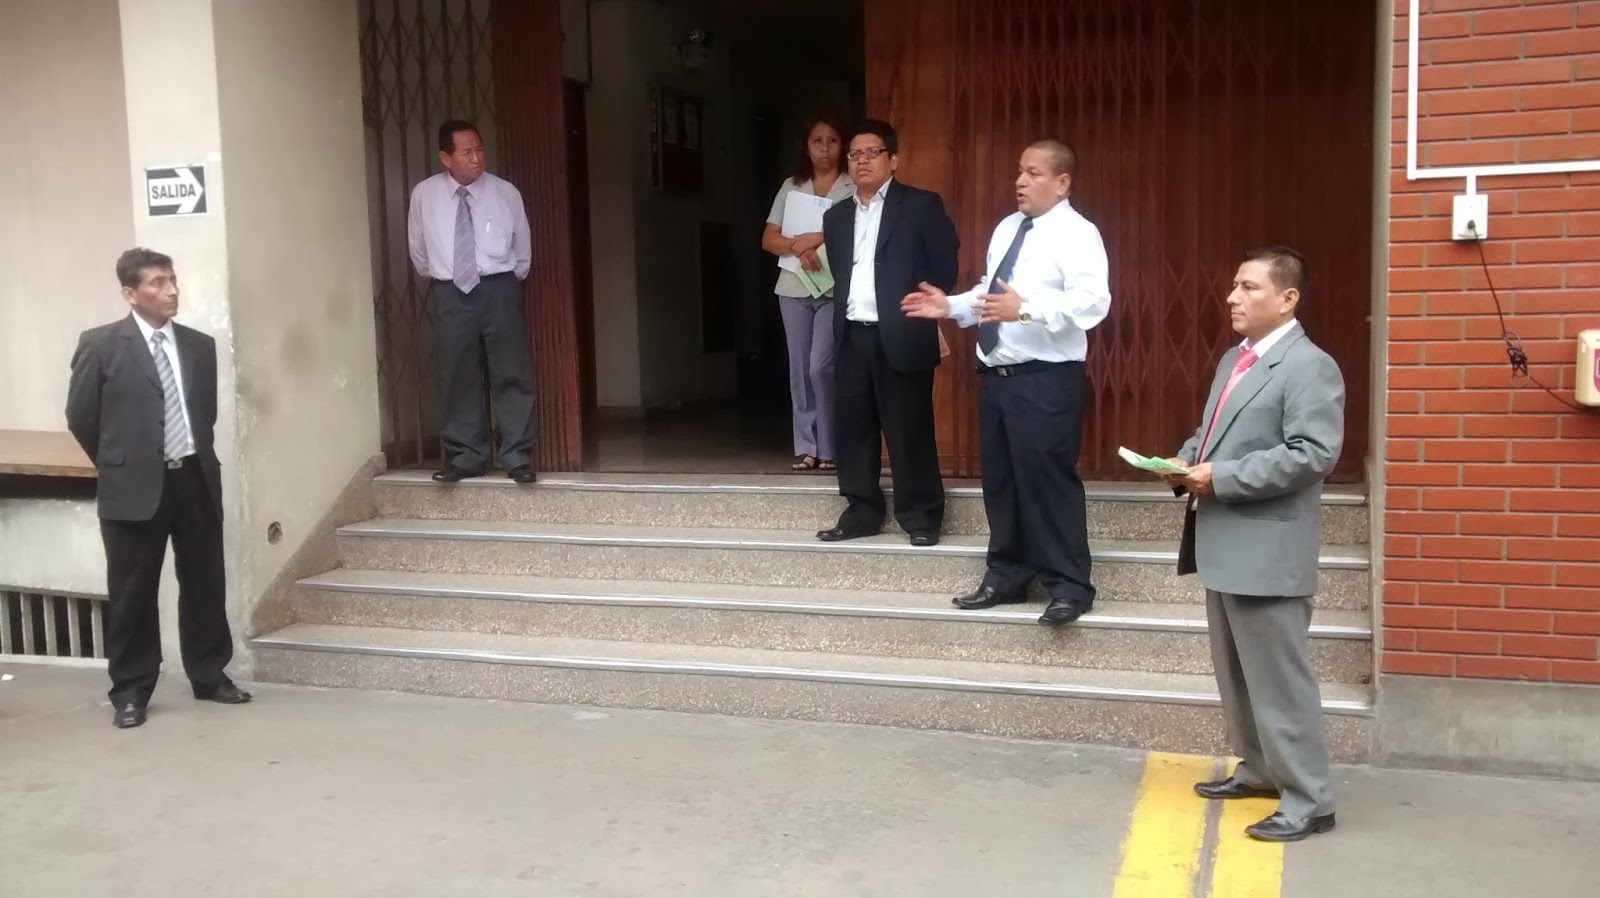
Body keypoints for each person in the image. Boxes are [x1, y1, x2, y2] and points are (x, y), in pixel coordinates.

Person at [1163, 246, 1344, 842]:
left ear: (1288, 299)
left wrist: (1221, 477)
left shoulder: (1309, 365)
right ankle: (1261, 770)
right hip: (1225, 544)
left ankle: (1310, 799)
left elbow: (1313, 454)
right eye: (1234, 286)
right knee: (1239, 677)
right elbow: (1213, 432)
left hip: (1268, 552)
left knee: (1281, 683)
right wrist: (1184, 461)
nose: (1232, 297)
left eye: (1249, 287)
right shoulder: (1236, 359)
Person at [902, 140, 1110, 625]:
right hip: (997, 376)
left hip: (1045, 379)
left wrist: (1028, 309)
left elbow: (1093, 302)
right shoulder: (1008, 228)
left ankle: (1069, 586)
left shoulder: (1079, 234)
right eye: (1020, 171)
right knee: (1001, 482)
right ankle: (1007, 575)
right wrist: (951, 306)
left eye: (1034, 173)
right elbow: (989, 294)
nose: (1020, 181)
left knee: (1047, 482)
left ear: (1062, 183)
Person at [65, 248, 252, 729]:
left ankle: (209, 674)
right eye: (157, 283)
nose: (171, 291)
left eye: (172, 280)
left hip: (193, 477)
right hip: (132, 486)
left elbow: (202, 414)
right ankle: (131, 691)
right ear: (130, 293)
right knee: (133, 592)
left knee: (205, 581)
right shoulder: (101, 345)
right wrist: (121, 463)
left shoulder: (198, 346)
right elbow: (82, 417)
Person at [817, 119, 958, 547]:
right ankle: (861, 511)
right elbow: (841, 273)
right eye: (855, 154)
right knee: (854, 428)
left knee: (908, 427)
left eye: (872, 152)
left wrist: (919, 306)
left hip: (902, 332)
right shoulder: (837, 216)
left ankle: (921, 515)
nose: (862, 161)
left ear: (893, 159)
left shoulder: (921, 205)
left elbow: (944, 266)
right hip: (852, 334)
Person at [407, 119, 538, 483]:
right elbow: (418, 250)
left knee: (511, 370)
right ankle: (467, 455)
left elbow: (522, 249)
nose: (477, 158)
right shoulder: (424, 195)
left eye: (479, 149)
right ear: (446, 157)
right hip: (451, 292)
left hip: (499, 289)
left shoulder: (505, 193)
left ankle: (517, 454)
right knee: (458, 372)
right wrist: (445, 276)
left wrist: (503, 281)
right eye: (466, 152)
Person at [761, 119, 855, 472]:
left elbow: (858, 231)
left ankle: (831, 446)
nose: (825, 147)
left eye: (832, 140)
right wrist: (797, 246)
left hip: (833, 287)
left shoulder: (851, 185)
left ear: (842, 146)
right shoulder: (792, 186)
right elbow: (769, 239)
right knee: (800, 369)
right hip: (793, 287)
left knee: (822, 366)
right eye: (817, 140)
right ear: (807, 146)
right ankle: (807, 447)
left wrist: (818, 238)